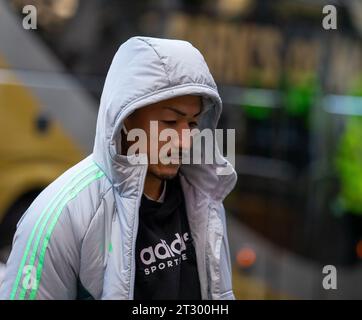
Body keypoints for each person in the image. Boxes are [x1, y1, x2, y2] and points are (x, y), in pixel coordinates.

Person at [0, 36, 237, 300]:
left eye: (193, 124)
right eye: (170, 121)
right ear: (124, 117)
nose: (184, 141)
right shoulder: (60, 216)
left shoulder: (204, 200)